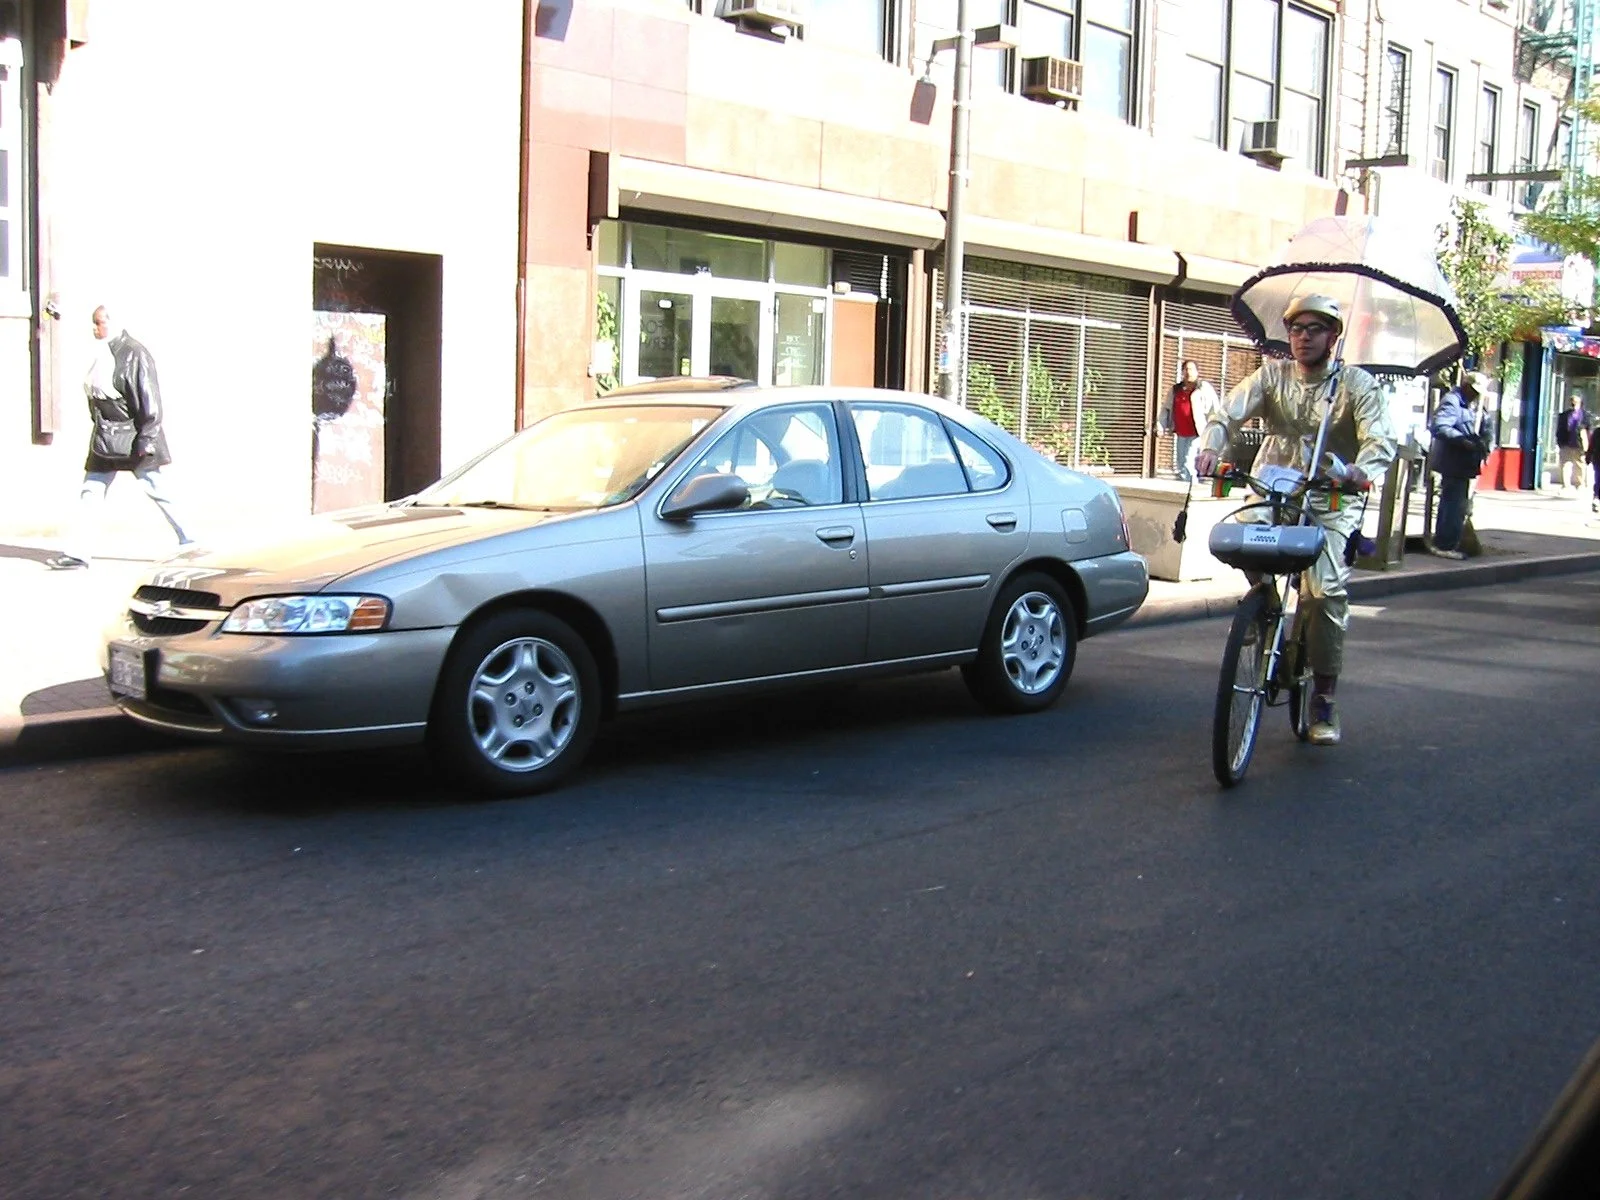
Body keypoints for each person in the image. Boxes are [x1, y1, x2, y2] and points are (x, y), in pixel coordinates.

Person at [1194, 295, 1397, 748]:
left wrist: (1357, 470)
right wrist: (1210, 448)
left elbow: (1380, 440)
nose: (1304, 337)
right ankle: (1264, 605)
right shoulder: (1272, 375)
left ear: (1333, 336)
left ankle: (1324, 696)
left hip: (1331, 497)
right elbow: (1226, 413)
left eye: (1315, 328)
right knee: (1244, 539)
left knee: (1323, 593)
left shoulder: (1356, 385)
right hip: (1274, 487)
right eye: (1296, 328)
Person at [46, 305, 196, 570]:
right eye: (94, 322)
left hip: (133, 434)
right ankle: (79, 553)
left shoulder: (135, 353)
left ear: (113, 322)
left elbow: (150, 399)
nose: (95, 328)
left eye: (99, 322)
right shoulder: (103, 352)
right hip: (107, 435)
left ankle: (193, 542)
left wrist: (147, 437)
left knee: (157, 488)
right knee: (91, 491)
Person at [1425, 371, 1492, 560]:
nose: (1476, 395)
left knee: (1458, 504)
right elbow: (1439, 426)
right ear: (1466, 386)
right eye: (1474, 391)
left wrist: (1484, 443)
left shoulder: (1473, 405)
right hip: (1453, 462)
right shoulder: (1452, 401)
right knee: (1453, 505)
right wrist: (1462, 440)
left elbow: (1483, 427)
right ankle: (1445, 544)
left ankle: (1449, 541)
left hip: (1465, 463)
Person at [1158, 360, 1219, 482]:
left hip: (1197, 432)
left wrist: (1214, 427)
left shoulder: (1203, 388)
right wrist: (1161, 425)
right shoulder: (1176, 390)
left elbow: (1215, 408)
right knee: (1181, 463)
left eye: (1191, 369)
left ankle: (1191, 486)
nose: (1188, 372)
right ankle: (1185, 485)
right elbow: (1166, 409)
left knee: (1188, 461)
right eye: (1186, 369)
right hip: (1181, 432)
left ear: (1197, 372)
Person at [1553, 393, 1591, 495]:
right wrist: (1559, 442)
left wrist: (1587, 445)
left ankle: (1580, 484)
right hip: (1566, 443)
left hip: (1579, 444)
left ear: (1580, 403)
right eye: (1572, 402)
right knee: (1565, 465)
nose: (1574, 404)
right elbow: (1559, 429)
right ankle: (1565, 485)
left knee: (1580, 465)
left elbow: (1588, 431)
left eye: (1576, 402)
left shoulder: (1585, 416)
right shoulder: (1564, 415)